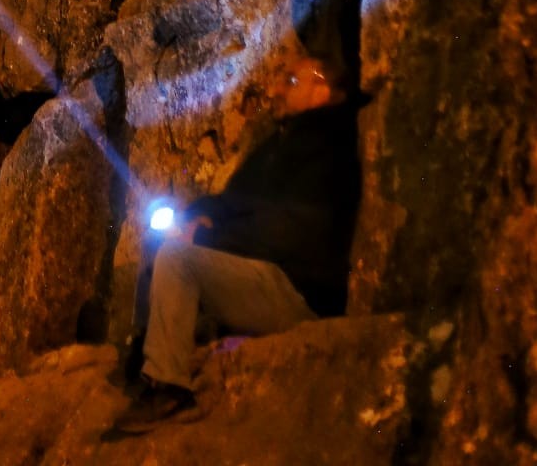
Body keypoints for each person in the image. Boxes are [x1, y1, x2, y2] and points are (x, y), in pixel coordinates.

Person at [105, 47, 363, 436]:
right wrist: (194, 216)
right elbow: (233, 202)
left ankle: (171, 390)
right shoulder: (281, 147)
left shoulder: (330, 152)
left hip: (296, 292)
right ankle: (147, 358)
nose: (277, 89)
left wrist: (208, 235)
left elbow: (290, 231)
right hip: (263, 273)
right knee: (163, 240)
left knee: (180, 260)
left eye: (292, 81)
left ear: (321, 92)